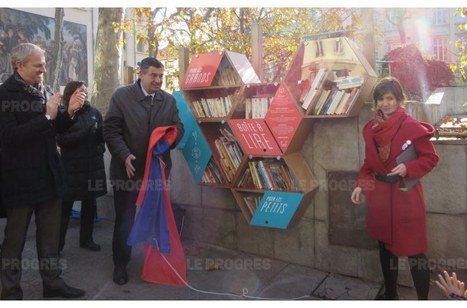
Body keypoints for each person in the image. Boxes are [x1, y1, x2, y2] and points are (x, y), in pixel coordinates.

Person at [0, 43, 86, 299]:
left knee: (49, 241)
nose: (43, 70)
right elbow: (8, 137)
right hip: (19, 180)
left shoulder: (44, 89)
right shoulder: (5, 94)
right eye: (38, 66)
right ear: (19, 65)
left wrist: (68, 112)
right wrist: (46, 118)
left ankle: (53, 284)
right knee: (13, 243)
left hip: (49, 177)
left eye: (44, 64)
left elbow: (54, 128)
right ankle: (10, 291)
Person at [350, 77, 439, 300]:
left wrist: (408, 168)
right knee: (385, 248)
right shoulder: (371, 129)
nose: (385, 103)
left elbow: (430, 158)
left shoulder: (411, 126)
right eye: (381, 99)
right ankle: (391, 295)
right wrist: (361, 185)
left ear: (399, 99)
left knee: (415, 252)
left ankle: (423, 301)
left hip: (405, 198)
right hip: (379, 198)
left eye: (390, 98)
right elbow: (368, 164)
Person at [103, 57, 184, 285]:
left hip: (156, 172)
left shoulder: (168, 100)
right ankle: (120, 264)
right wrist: (123, 154)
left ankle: (156, 261)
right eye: (153, 76)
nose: (158, 80)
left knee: (156, 218)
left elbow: (179, 128)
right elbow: (110, 129)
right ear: (141, 75)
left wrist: (168, 140)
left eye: (161, 76)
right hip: (127, 171)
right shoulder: (122, 96)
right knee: (125, 219)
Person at [57, 81, 107, 253]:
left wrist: (101, 144)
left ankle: (87, 239)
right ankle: (57, 245)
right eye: (79, 91)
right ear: (70, 94)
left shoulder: (94, 112)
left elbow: (101, 137)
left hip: (92, 167)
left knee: (90, 205)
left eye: (85, 91)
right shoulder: (63, 113)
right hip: (71, 169)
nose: (83, 94)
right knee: (64, 208)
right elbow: (62, 140)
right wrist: (85, 133)